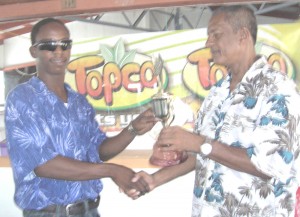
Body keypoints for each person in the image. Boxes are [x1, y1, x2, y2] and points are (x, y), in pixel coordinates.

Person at [131, 5, 300, 217]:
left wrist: (199, 143)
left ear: (243, 36)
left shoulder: (279, 91)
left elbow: (269, 166)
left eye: (216, 35)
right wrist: (155, 179)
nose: (208, 43)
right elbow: (204, 155)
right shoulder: (217, 92)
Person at [5, 18, 156, 217]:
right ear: (34, 51)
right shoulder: (23, 99)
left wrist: (132, 129)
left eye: (64, 44)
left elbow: (98, 151)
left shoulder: (79, 103)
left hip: (89, 210)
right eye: (49, 45)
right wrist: (112, 171)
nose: (59, 52)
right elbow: (43, 164)